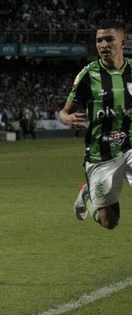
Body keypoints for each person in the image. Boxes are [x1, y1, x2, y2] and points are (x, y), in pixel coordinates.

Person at [59, 20, 132, 230]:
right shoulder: (88, 75)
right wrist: (67, 119)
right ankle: (88, 193)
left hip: (130, 146)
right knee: (109, 222)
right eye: (99, 40)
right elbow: (64, 112)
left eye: (109, 39)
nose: (103, 45)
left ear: (123, 43)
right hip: (101, 153)